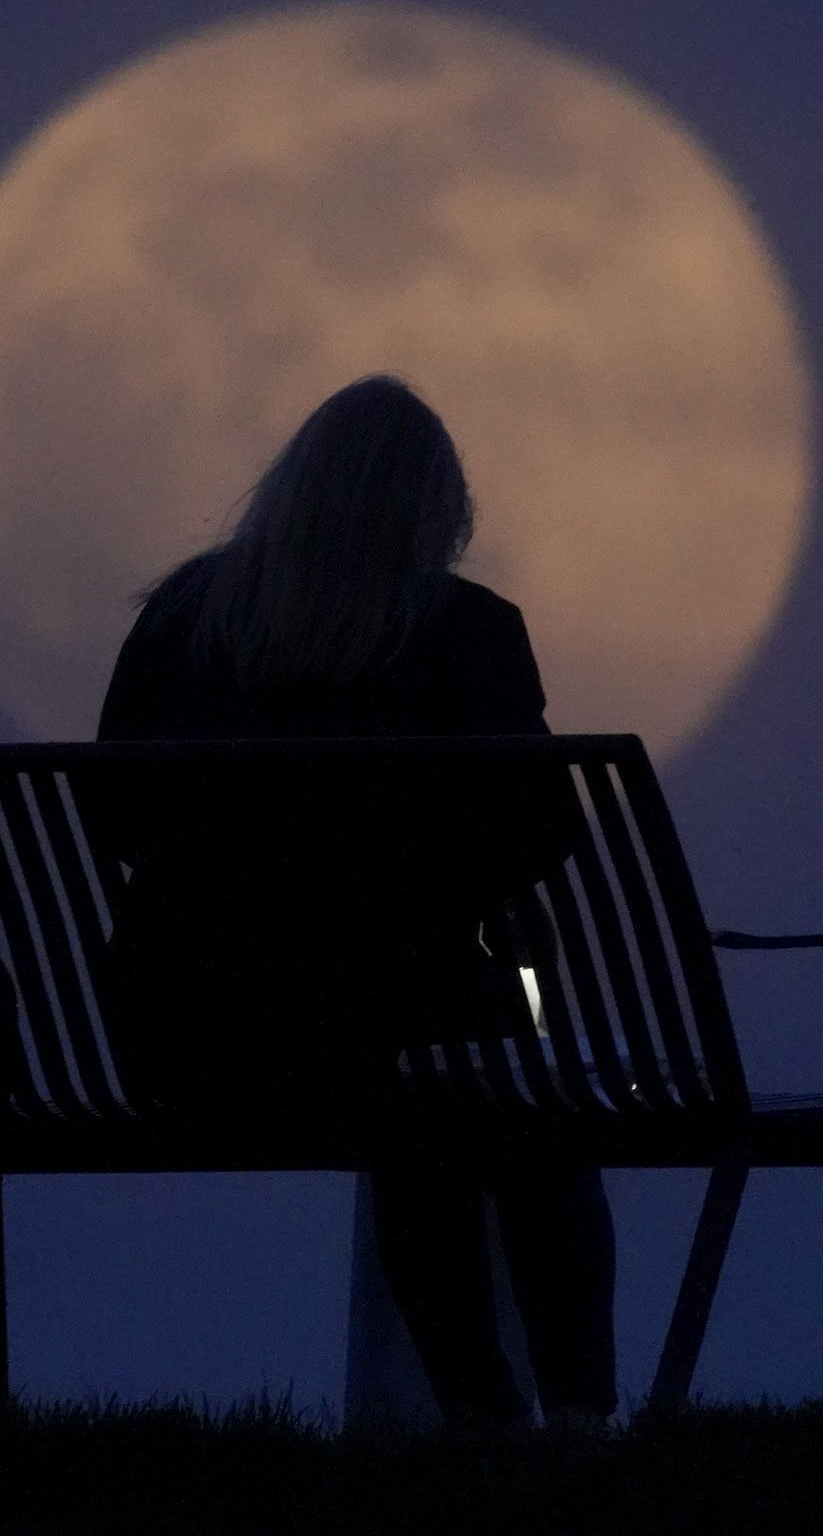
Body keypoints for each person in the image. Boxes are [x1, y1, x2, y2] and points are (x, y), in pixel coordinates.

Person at [94, 374, 618, 1430]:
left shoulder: (182, 621)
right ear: (435, 509)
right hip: (386, 1033)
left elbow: (116, 818)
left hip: (185, 1043)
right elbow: (534, 832)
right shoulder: (463, 630)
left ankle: (481, 1408)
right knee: (502, 1109)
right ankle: (568, 1418)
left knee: (424, 1107)